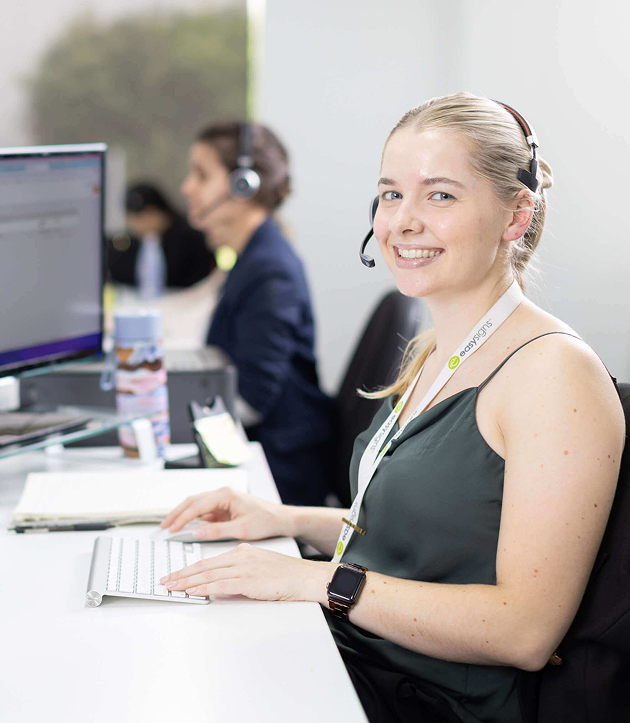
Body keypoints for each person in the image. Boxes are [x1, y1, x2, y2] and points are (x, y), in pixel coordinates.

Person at [159, 94, 625, 723]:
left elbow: (525, 630)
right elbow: (426, 537)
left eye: (440, 195)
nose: (402, 221)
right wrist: (284, 518)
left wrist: (316, 580)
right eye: (389, 194)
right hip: (362, 657)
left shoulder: (554, 376)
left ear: (516, 214)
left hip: (431, 700)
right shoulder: (438, 350)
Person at [180, 121, 336, 506]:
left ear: (242, 185)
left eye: (201, 174)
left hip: (282, 468)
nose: (187, 187)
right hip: (264, 452)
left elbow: (252, 399)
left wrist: (163, 419)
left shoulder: (270, 269)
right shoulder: (253, 255)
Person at [106, 181, 215, 290]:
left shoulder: (191, 239)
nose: (140, 224)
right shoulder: (127, 243)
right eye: (134, 218)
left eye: (147, 215)